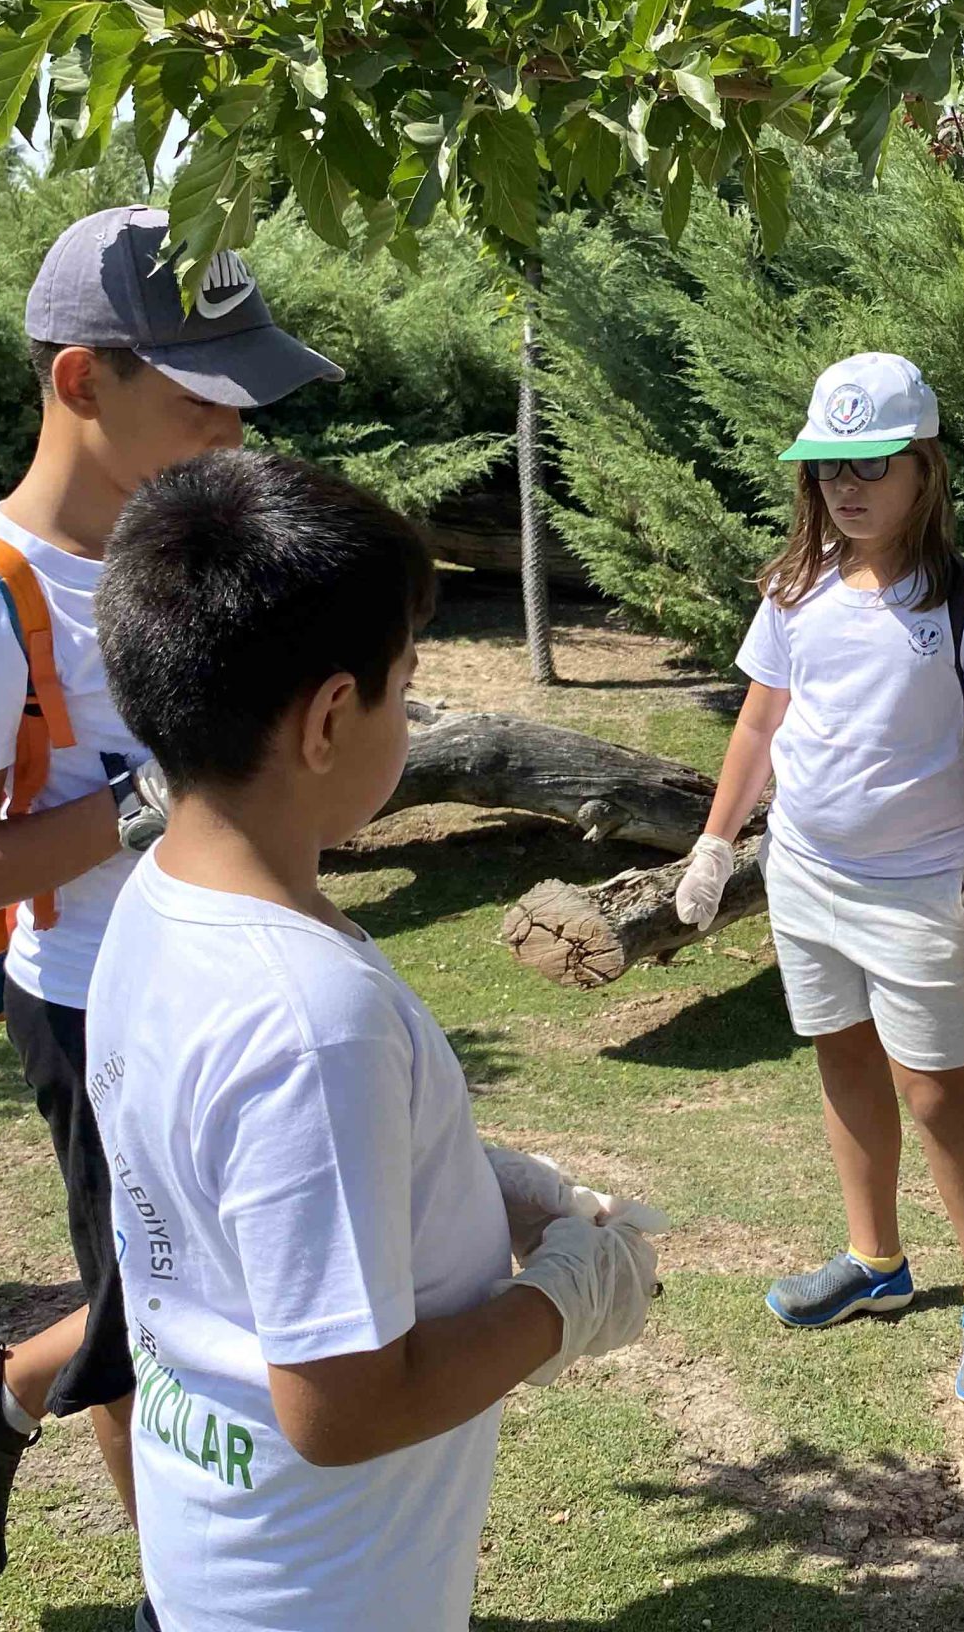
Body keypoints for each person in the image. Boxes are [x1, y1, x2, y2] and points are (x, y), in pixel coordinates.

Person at [85, 447, 660, 1632]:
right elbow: (342, 1411)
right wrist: (565, 1299)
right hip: (326, 1596)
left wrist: (468, 1185)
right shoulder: (311, 1018)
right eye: (406, 687)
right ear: (330, 719)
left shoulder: (159, 898)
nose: (411, 714)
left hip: (215, 1565)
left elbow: (238, 1190)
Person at [0, 209, 341, 1586]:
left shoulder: (189, 545)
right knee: (159, 1320)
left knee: (207, 1283)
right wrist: (154, 796)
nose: (236, 430)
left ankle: (4, 1389)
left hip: (231, 980)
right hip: (99, 1008)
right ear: (84, 380)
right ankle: (180, 1592)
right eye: (204, 398)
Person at [672, 352, 964, 1411]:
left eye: (871, 463)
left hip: (918, 887)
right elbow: (759, 725)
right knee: (841, 1058)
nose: (846, 485)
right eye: (829, 465)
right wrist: (714, 843)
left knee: (936, 1091)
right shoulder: (796, 587)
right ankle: (876, 1262)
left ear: (923, 468)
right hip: (804, 874)